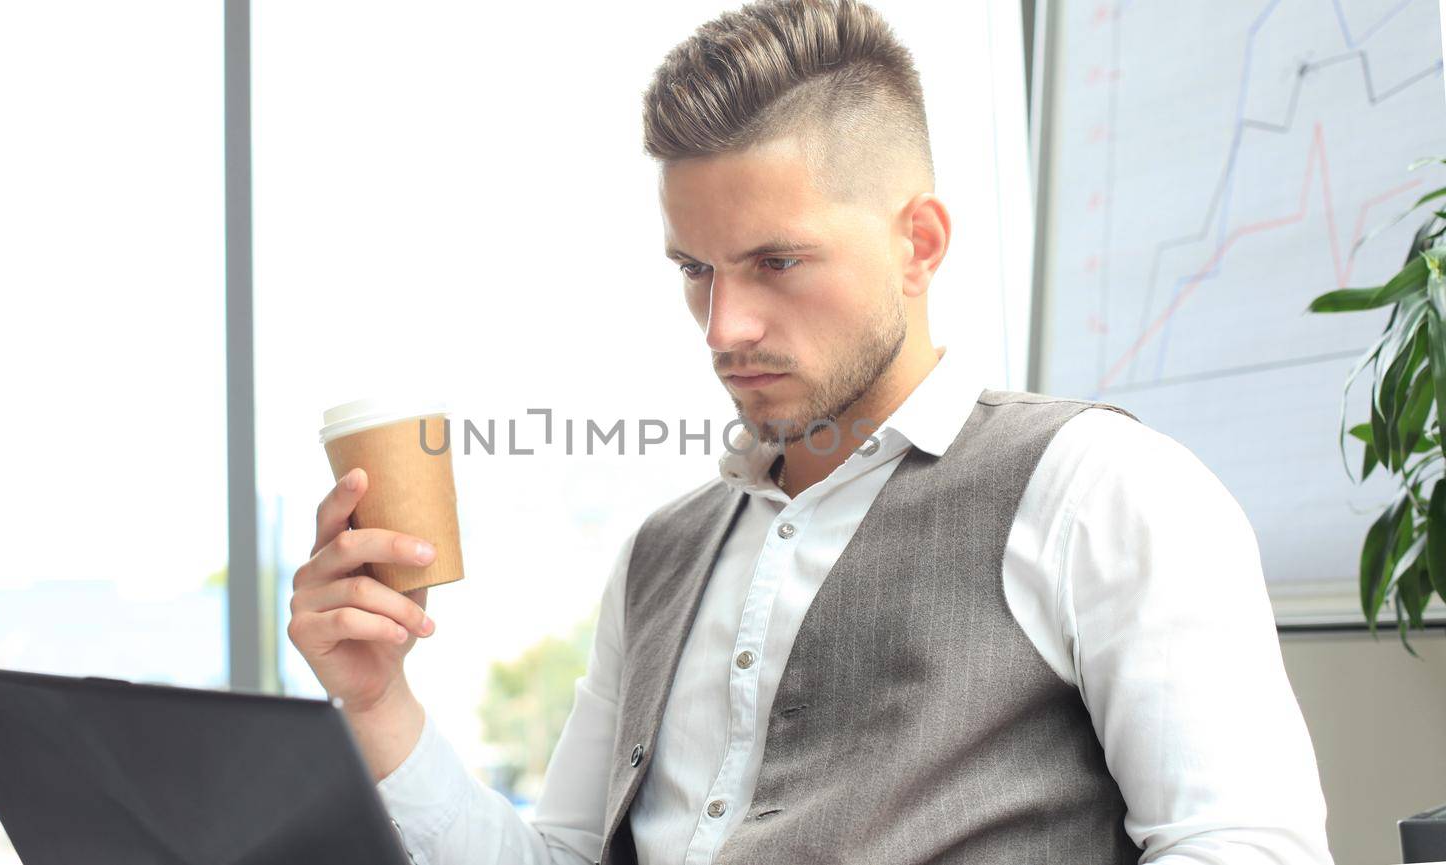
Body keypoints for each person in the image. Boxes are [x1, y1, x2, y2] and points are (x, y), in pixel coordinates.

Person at [286, 0, 1335, 862]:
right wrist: (377, 702)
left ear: (917, 242)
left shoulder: (1101, 490)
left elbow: (1242, 847)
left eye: (774, 262)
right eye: (694, 270)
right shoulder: (661, 554)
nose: (723, 325)